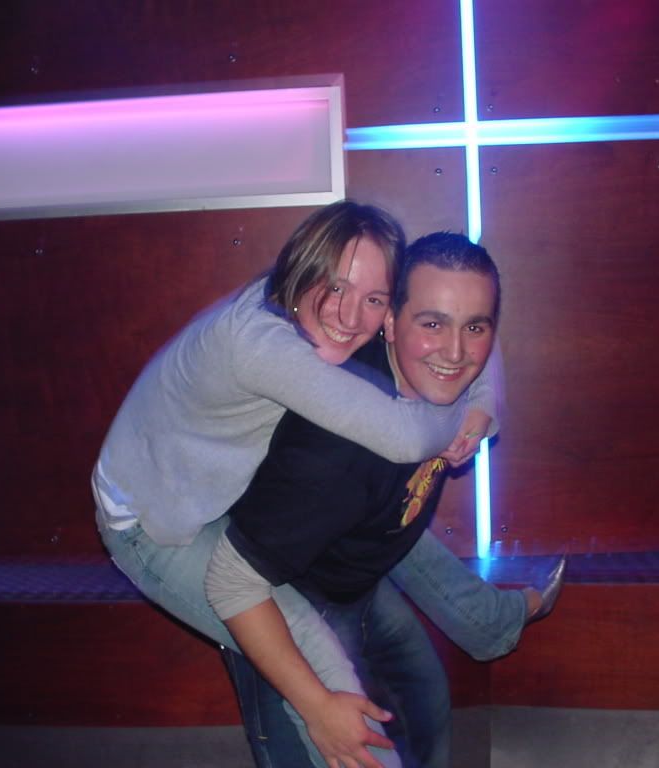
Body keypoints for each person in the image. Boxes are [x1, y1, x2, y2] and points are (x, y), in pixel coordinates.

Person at [93, 203, 532, 765]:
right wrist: (468, 411)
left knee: (389, 516)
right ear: (301, 269)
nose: (349, 316)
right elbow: (404, 435)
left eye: (373, 298)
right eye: (335, 287)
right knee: (310, 653)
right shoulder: (264, 347)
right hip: (155, 518)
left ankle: (490, 622)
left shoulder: (319, 317)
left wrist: (480, 397)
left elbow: (460, 318)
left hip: (222, 480)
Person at [207, 233, 566, 768]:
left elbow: (474, 356)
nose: (455, 352)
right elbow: (231, 580)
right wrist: (315, 704)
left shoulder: (434, 371)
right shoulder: (335, 453)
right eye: (432, 325)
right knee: (338, 753)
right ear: (390, 325)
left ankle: (491, 623)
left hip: (363, 578)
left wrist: (481, 411)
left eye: (474, 327)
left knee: (426, 711)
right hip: (289, 603)